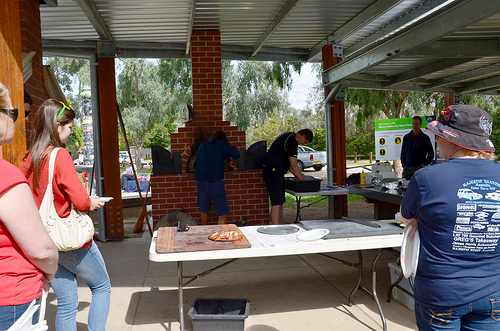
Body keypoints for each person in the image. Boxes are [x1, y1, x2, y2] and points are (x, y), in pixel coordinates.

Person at [400, 104, 500, 330]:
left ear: (453, 139)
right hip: (494, 290)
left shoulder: (426, 178)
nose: (436, 139)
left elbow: (406, 218)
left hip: (441, 293)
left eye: (439, 135)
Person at [21, 99, 111, 331]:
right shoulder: (59, 155)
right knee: (102, 286)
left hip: (45, 243)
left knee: (67, 303)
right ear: (56, 125)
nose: (71, 132)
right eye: (69, 127)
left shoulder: (28, 157)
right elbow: (80, 200)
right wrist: (91, 201)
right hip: (69, 241)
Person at [0, 83, 58, 329]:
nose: (17, 119)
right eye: (12, 112)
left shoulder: (28, 157)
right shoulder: (5, 175)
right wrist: (50, 272)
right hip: (12, 298)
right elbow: (42, 251)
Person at [262, 129, 313, 224]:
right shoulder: (292, 140)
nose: (304, 144)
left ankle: (279, 225)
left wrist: (301, 176)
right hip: (273, 172)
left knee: (280, 201)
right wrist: (303, 181)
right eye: (305, 142)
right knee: (276, 202)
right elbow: (294, 165)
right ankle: (276, 227)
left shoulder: (288, 136)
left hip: (277, 172)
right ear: (303, 135)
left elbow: (291, 166)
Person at [193, 130, 240, 225]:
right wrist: (234, 161)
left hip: (200, 181)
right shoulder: (222, 144)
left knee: (204, 209)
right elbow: (236, 153)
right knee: (222, 212)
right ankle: (220, 235)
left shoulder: (202, 145)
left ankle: (204, 231)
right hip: (214, 181)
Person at [400, 115, 434, 179]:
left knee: (419, 187)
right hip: (407, 169)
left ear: (420, 124)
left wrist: (424, 164)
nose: (414, 126)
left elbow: (431, 153)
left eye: (417, 124)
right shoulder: (406, 137)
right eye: (413, 124)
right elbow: (403, 152)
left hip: (419, 168)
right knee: (404, 187)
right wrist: (403, 164)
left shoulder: (425, 138)